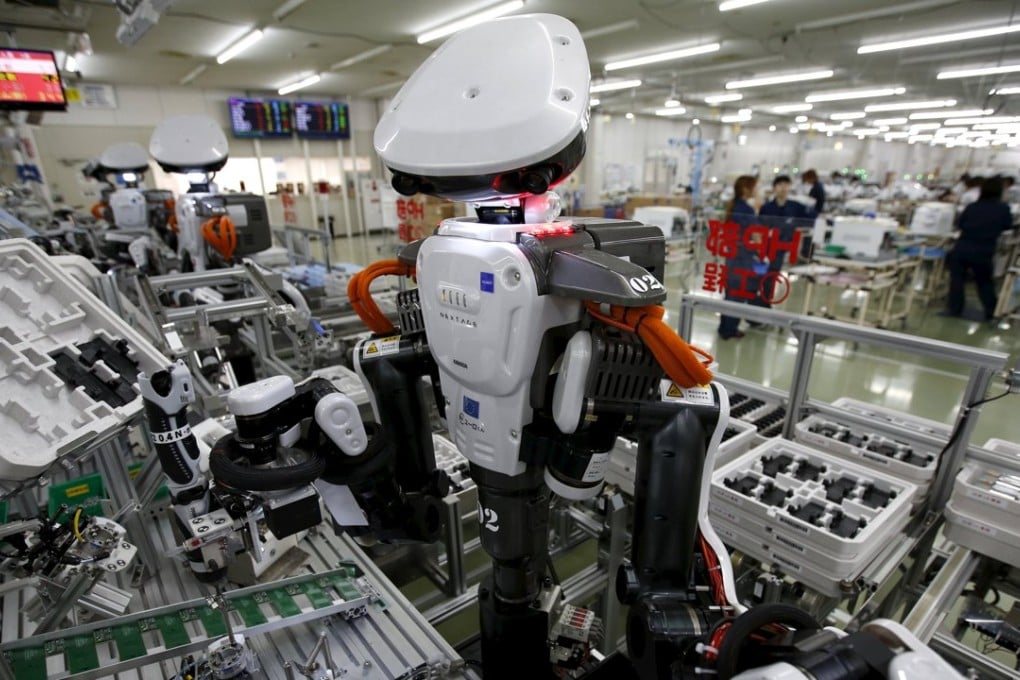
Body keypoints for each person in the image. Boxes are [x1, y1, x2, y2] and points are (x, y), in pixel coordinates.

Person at [945, 177, 1014, 320]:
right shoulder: (1003, 208)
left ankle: (954, 309)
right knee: (984, 281)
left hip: (963, 247)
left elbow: (960, 224)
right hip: (984, 249)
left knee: (957, 280)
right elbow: (1007, 226)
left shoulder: (972, 207)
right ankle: (990, 311)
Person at [753, 175, 810, 310]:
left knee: (773, 274)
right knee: (763, 274)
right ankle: (760, 301)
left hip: (785, 246)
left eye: (786, 185)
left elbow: (809, 221)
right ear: (774, 188)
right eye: (780, 185)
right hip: (769, 246)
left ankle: (766, 301)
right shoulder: (767, 208)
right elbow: (760, 227)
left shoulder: (796, 207)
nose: (783, 188)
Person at [718, 175, 759, 340]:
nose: (757, 190)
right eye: (755, 187)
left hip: (732, 256)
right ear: (745, 189)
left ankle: (724, 327)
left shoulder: (734, 207)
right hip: (743, 258)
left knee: (730, 293)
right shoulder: (746, 210)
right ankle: (730, 330)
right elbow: (756, 236)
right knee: (738, 294)